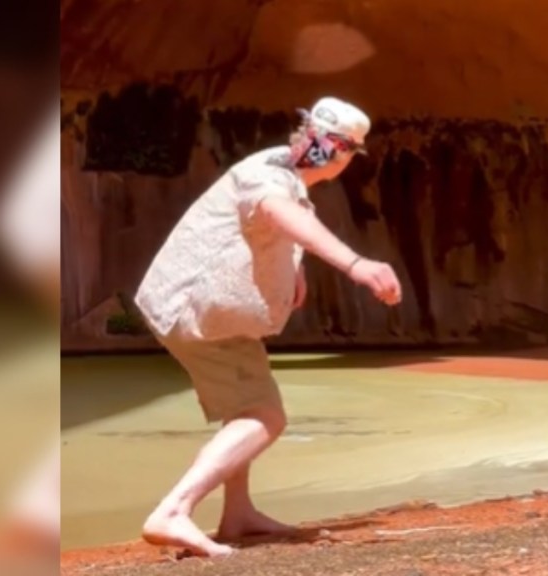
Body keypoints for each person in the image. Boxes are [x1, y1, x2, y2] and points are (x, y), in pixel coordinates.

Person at [133, 96, 403, 556]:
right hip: (194, 314)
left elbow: (282, 219)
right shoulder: (268, 175)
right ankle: (173, 511)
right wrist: (355, 264)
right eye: (346, 151)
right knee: (263, 417)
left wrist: (292, 269)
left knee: (248, 408)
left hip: (212, 319)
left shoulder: (288, 177)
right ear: (340, 151)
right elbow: (275, 210)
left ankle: (237, 514)